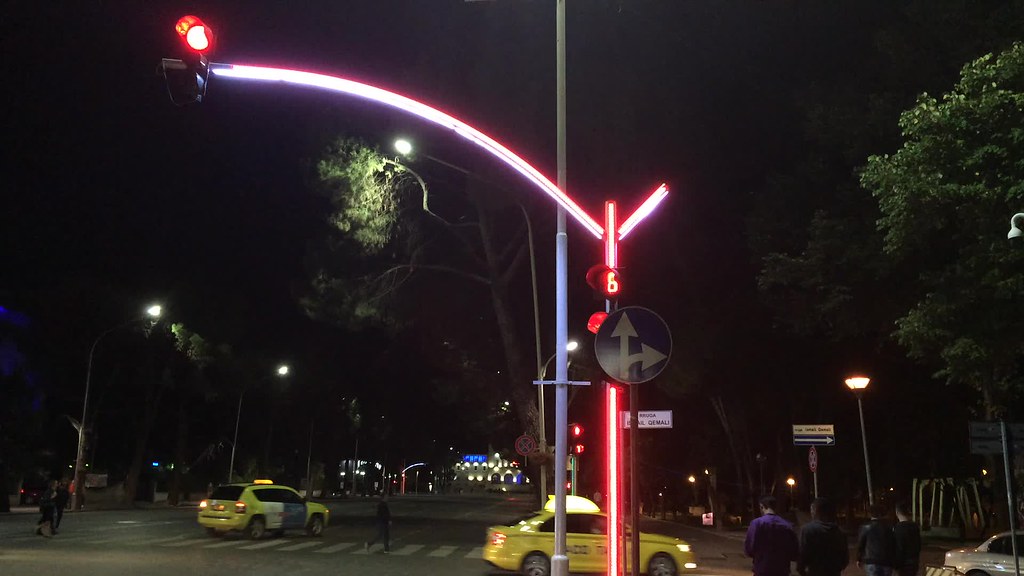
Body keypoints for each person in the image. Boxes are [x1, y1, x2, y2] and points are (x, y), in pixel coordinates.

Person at [745, 495, 799, 576]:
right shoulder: (788, 525)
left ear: (762, 507)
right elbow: (794, 552)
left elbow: (749, 548)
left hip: (762, 569)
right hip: (782, 571)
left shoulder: (757, 523)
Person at [798, 497, 849, 576]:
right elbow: (845, 559)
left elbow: (802, 554)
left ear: (815, 511)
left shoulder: (807, 530)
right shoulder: (839, 532)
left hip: (814, 572)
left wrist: (801, 570)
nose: (811, 513)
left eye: (812, 510)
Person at [857, 503, 898, 576]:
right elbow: (893, 544)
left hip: (871, 560)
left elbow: (861, 544)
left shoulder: (865, 527)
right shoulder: (889, 527)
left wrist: (859, 558)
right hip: (886, 561)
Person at [893, 502, 921, 576]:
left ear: (897, 512)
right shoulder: (915, 526)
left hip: (904, 563)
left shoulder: (898, 528)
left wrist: (896, 564)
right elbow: (918, 544)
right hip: (914, 561)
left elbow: (899, 548)